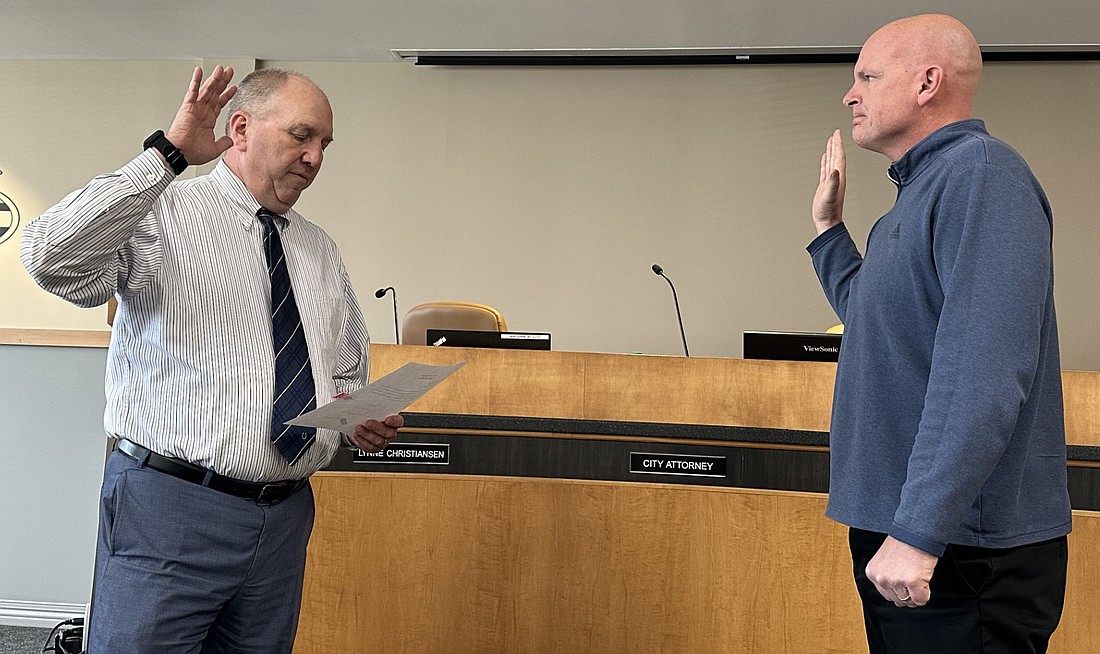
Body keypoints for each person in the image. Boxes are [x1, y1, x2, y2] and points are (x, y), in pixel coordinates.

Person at [21, 66, 403, 653]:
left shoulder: (319, 249)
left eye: (324, 144)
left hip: (283, 519)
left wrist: (354, 417)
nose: (315, 157)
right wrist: (167, 156)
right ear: (242, 128)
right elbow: (50, 258)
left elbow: (344, 369)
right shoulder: (165, 212)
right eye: (302, 136)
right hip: (170, 510)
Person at [807, 14, 1071, 653]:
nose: (850, 95)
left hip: (957, 552)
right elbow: (878, 322)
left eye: (867, 76)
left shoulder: (982, 174)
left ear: (927, 82)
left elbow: (983, 371)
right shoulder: (920, 194)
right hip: (910, 537)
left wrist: (921, 530)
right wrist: (828, 234)